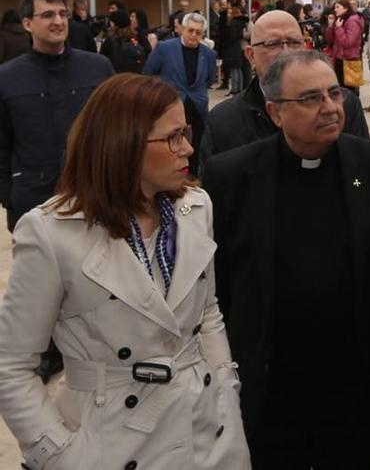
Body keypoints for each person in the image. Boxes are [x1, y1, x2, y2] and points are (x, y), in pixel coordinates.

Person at [0, 72, 251, 470]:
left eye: (186, 132)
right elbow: (11, 365)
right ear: (124, 144)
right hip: (109, 443)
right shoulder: (51, 232)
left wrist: (225, 392)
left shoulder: (195, 208)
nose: (188, 147)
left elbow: (207, 313)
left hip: (207, 435)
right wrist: (58, 452)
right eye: (173, 137)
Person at [202, 50, 370, 469]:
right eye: (311, 98)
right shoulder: (231, 177)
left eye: (335, 93)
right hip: (269, 390)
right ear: (275, 112)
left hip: (358, 389)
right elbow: (218, 284)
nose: (331, 108)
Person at [0, 0, 113, 385]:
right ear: (28, 23)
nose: (58, 20)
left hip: (94, 193)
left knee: (99, 273)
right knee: (41, 284)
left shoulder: (97, 68)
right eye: (48, 15)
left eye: (63, 13)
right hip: (33, 197)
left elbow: (114, 127)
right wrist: (9, 195)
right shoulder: (7, 79)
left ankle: (93, 345)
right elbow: (2, 145)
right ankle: (48, 352)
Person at [200, 10, 368, 167]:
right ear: (251, 55)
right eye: (273, 44)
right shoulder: (224, 120)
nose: (287, 53)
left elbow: (361, 171)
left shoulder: (343, 105)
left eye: (295, 42)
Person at [143, 12, 215, 177]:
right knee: (170, 146)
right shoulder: (165, 48)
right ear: (182, 29)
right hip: (170, 106)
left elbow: (209, 79)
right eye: (190, 30)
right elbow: (148, 72)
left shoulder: (208, 54)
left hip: (197, 109)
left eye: (198, 32)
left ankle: (192, 179)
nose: (194, 35)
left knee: (195, 148)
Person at [325, 1, 364, 95]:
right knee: (340, 90)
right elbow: (330, 41)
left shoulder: (352, 21)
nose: (335, 9)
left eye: (338, 7)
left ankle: (352, 109)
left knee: (350, 92)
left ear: (346, 8)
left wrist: (338, 28)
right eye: (334, 7)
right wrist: (330, 26)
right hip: (338, 59)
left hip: (350, 60)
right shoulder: (339, 20)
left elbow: (347, 42)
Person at [224, 6, 249, 95]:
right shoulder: (243, 22)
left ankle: (235, 90)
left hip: (233, 49)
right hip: (239, 48)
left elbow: (232, 36)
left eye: (230, 13)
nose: (228, 15)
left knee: (234, 70)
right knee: (238, 70)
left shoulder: (233, 23)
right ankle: (239, 89)